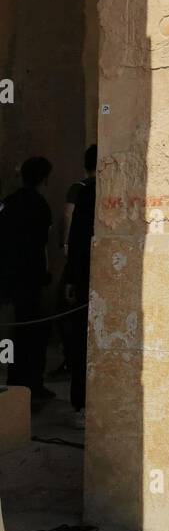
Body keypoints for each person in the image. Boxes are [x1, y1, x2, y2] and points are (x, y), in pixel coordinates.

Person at [0, 157, 55, 407]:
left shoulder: (8, 204)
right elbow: (42, 246)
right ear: (44, 178)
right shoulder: (40, 205)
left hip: (10, 278)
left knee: (13, 332)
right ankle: (32, 383)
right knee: (34, 333)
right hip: (31, 278)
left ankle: (12, 379)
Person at [62, 145, 96, 423]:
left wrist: (71, 277)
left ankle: (81, 405)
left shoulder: (85, 190)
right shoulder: (92, 190)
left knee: (81, 340)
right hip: (93, 274)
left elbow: (75, 235)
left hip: (84, 274)